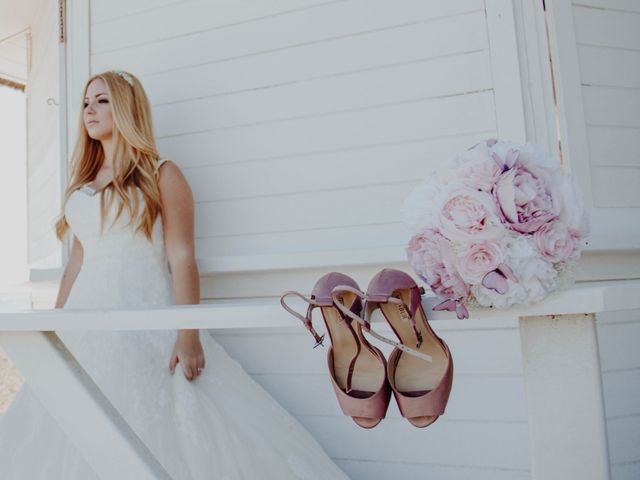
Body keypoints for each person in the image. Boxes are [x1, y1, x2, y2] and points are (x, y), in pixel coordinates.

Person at [0, 70, 348, 479]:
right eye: (85, 103)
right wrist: (55, 326)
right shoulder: (83, 185)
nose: (90, 110)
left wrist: (188, 333)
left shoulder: (161, 174)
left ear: (127, 109)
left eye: (102, 101)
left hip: (144, 316)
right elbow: (77, 262)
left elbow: (182, 257)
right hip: (85, 321)